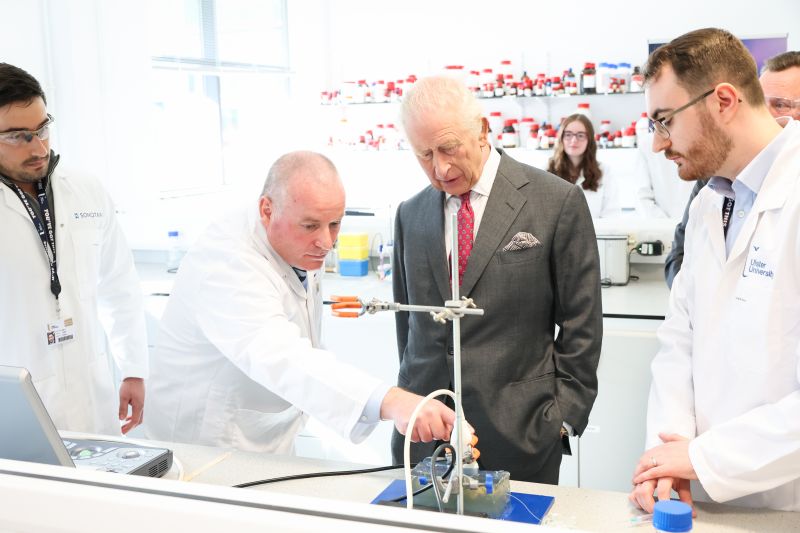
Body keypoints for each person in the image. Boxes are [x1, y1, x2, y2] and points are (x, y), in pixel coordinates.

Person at [146, 151, 455, 454]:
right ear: (267, 210)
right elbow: (279, 354)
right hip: (207, 438)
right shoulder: (227, 262)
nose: (327, 242)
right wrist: (389, 400)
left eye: (335, 224)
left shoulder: (295, 240)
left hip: (265, 430)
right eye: (310, 226)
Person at [392, 75, 603, 483]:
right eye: (424, 155)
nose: (440, 168)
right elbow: (409, 327)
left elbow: (583, 324)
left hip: (523, 437)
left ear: (483, 131)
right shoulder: (409, 214)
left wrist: (561, 419)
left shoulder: (555, 203)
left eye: (449, 148)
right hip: (424, 442)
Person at [629, 28, 800, 513]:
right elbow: (679, 342)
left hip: (788, 502)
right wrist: (671, 453)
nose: (660, 145)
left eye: (665, 121)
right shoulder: (709, 203)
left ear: (723, 100)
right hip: (697, 494)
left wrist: (701, 459)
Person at [0, 63, 147, 435]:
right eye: (19, 136)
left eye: (43, 128)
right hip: (16, 403)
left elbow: (119, 284)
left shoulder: (85, 189)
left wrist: (132, 367)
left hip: (91, 392)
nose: (39, 147)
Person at [664, 50, 799, 287]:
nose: (764, 115)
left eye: (780, 105)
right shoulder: (715, 177)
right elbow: (679, 257)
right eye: (758, 102)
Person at [546, 113, 621, 218]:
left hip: (596, 233)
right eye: (568, 134)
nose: (573, 140)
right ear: (561, 138)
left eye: (580, 135)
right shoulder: (547, 171)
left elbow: (611, 215)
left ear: (589, 140)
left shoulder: (604, 172)